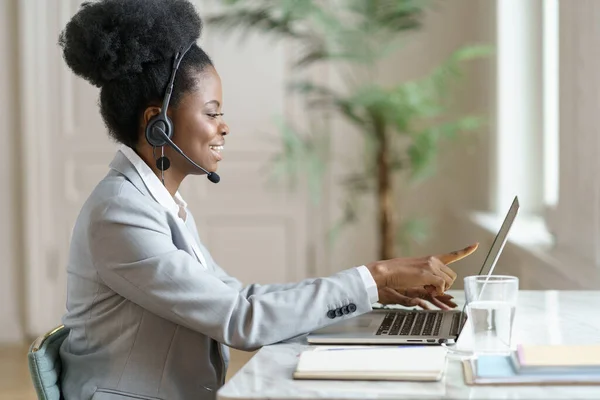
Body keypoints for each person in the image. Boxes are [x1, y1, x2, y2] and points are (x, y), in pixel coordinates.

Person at [57, 1, 478, 399]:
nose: (224, 127)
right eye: (212, 112)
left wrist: (371, 294)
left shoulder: (155, 203)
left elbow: (242, 298)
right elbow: (241, 321)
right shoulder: (121, 215)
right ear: (158, 123)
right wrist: (377, 274)